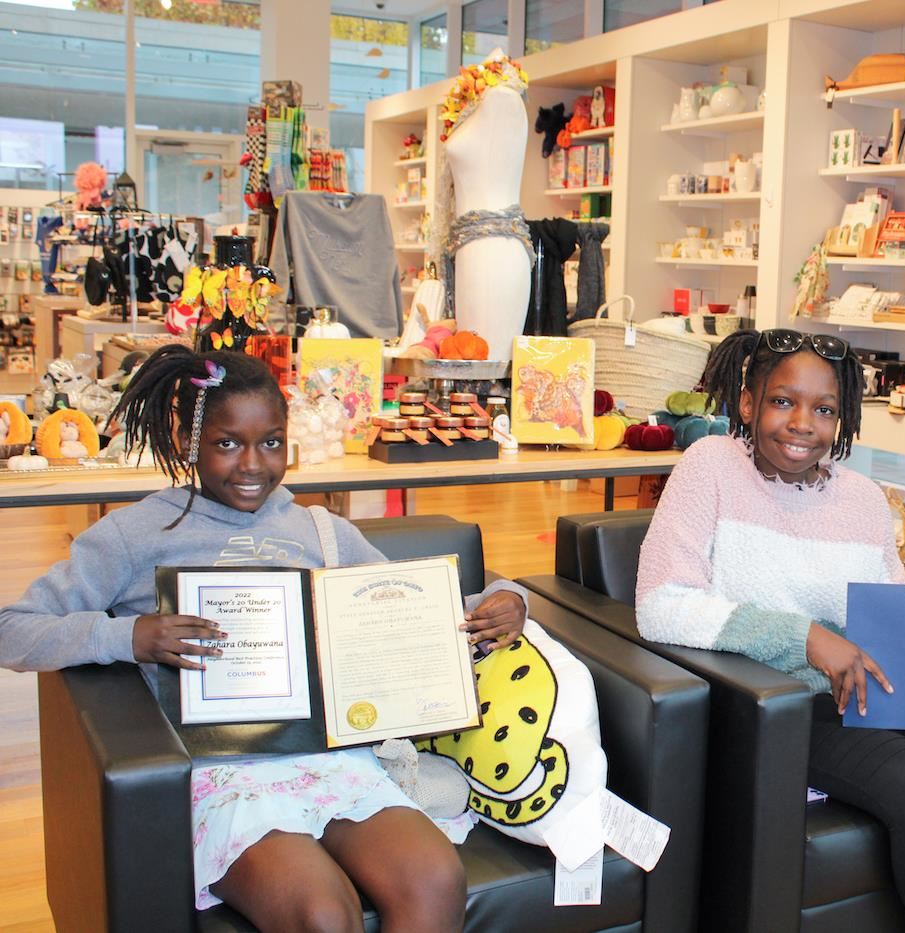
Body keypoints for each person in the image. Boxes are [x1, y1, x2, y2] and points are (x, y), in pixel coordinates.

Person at [0, 345, 530, 931]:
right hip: (218, 770)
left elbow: (416, 614)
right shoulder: (134, 533)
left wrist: (505, 602)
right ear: (187, 442)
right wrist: (130, 636)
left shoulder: (320, 531)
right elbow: (13, 631)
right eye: (228, 443)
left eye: (271, 442)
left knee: (436, 876)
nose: (252, 464)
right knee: (323, 914)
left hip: (327, 757)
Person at [635, 328, 905, 932]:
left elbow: (899, 624)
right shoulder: (711, 466)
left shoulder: (862, 497)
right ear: (748, 403)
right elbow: (662, 605)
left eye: (824, 409)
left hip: (877, 695)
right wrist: (804, 635)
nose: (802, 422)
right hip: (779, 703)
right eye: (783, 401)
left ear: (843, 418)